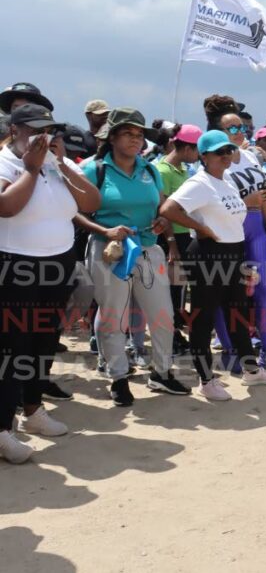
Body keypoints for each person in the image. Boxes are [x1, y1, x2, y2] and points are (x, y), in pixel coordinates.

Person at [0, 102, 100, 462]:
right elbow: (6, 207)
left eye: (49, 130)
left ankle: (33, 409)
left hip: (57, 263)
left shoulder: (58, 164)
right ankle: (2, 427)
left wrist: (60, 167)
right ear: (15, 132)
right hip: (16, 265)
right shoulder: (7, 162)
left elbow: (91, 201)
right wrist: (31, 169)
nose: (45, 137)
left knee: (44, 340)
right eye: (35, 130)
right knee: (14, 346)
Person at [77, 108, 191, 405]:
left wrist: (163, 223)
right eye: (128, 133)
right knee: (114, 315)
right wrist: (105, 229)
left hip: (148, 249)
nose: (135, 139)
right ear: (111, 136)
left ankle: (161, 373)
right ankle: (118, 377)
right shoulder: (94, 169)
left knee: (163, 314)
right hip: (109, 251)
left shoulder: (149, 169)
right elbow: (73, 210)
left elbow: (160, 207)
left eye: (139, 134)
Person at [160, 130, 266, 400]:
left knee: (237, 315)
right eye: (219, 152)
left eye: (228, 150)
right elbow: (168, 209)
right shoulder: (199, 183)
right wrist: (200, 227)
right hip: (207, 255)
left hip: (232, 254)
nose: (226, 156)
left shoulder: (226, 179)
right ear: (204, 156)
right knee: (202, 320)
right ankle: (206, 379)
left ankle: (251, 370)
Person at [203, 95, 266, 375]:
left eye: (242, 127)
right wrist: (245, 202)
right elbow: (211, 201)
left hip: (256, 229)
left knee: (265, 289)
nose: (242, 132)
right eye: (234, 128)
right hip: (228, 230)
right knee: (228, 294)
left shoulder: (252, 155)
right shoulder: (212, 163)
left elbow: (264, 194)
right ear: (218, 133)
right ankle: (231, 350)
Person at [154, 123, 202, 352]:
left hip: (184, 235)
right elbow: (163, 211)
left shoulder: (182, 169)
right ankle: (169, 339)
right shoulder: (163, 171)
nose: (199, 155)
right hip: (171, 238)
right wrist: (172, 244)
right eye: (197, 150)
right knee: (170, 291)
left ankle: (173, 334)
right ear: (186, 148)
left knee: (179, 290)